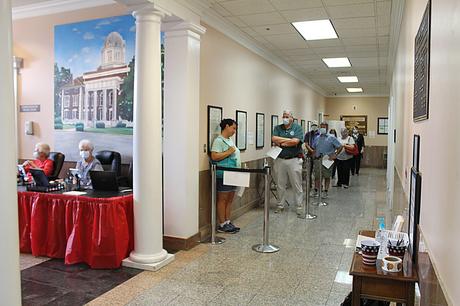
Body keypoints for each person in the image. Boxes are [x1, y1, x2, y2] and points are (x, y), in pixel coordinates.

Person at [211, 118, 241, 234]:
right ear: (226, 126)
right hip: (223, 174)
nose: (234, 131)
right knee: (223, 199)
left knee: (229, 199)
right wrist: (229, 152)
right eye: (233, 128)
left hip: (233, 173)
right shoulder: (219, 141)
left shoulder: (229, 140)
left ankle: (228, 221)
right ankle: (222, 223)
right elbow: (214, 156)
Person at [272, 110, 304, 214]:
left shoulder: (297, 128)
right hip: (280, 159)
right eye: (284, 116)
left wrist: (282, 142)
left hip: (294, 159)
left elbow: (296, 141)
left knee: (296, 184)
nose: (285, 118)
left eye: (287, 116)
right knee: (280, 184)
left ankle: (299, 206)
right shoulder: (277, 128)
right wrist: (288, 140)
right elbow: (274, 138)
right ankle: (280, 205)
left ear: (292, 118)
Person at [311, 123, 342, 198]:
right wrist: (313, 155)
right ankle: (317, 190)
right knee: (317, 176)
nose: (322, 128)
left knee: (327, 176)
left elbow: (340, 147)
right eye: (321, 127)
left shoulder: (331, 138)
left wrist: (335, 154)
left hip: (327, 160)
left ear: (327, 128)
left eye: (324, 127)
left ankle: (326, 191)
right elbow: (314, 148)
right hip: (318, 159)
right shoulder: (317, 138)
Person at [304, 123, 319, 188]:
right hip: (310, 154)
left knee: (317, 171)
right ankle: (309, 185)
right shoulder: (308, 134)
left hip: (318, 154)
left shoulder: (320, 134)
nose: (314, 127)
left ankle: (317, 185)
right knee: (309, 171)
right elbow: (306, 144)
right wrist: (312, 151)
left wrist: (315, 152)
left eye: (315, 125)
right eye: (312, 125)